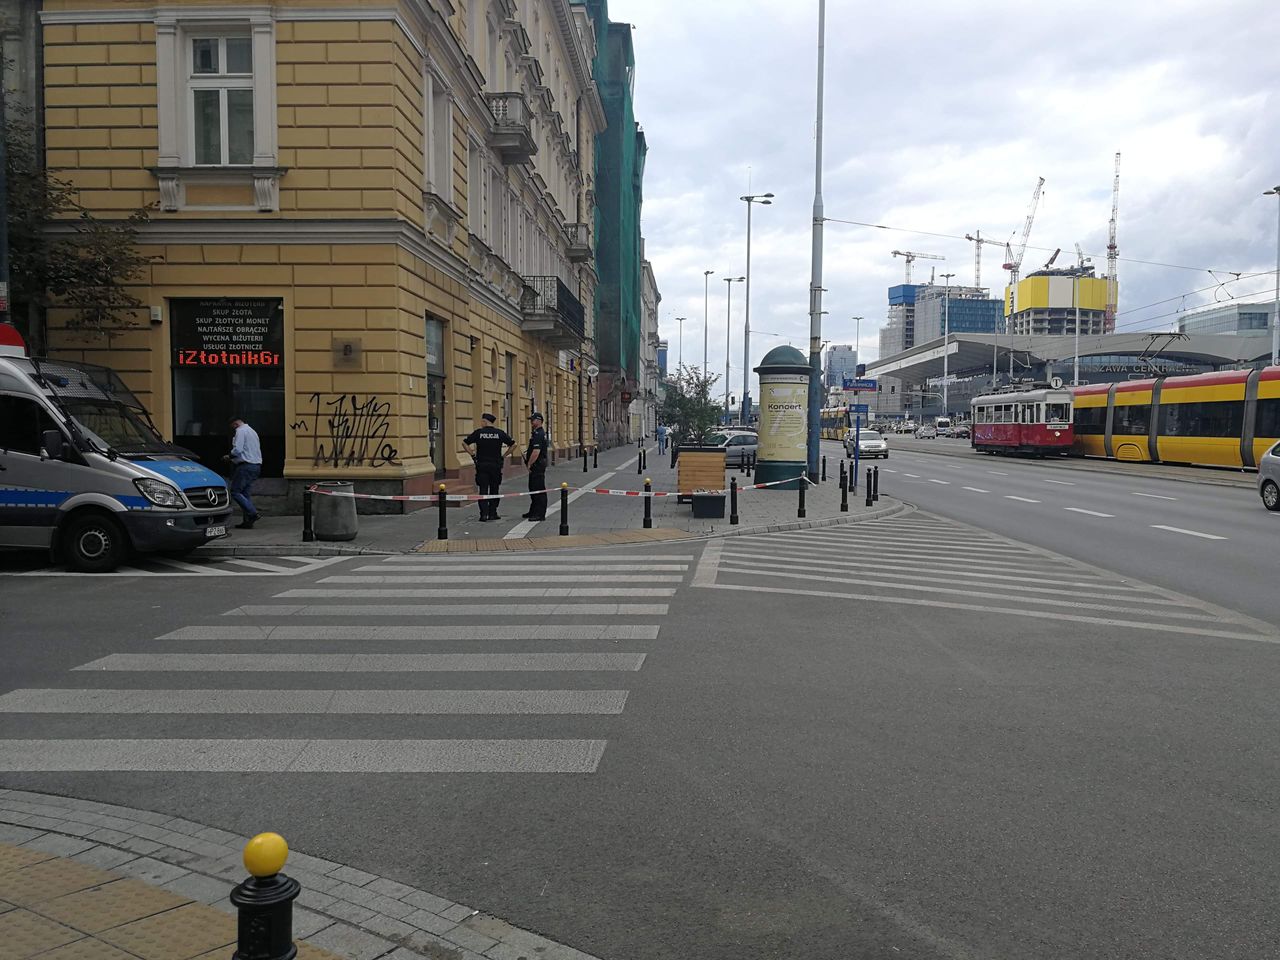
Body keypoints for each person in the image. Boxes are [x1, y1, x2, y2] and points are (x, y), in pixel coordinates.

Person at [462, 413, 515, 522]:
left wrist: (472, 455)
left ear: (485, 421)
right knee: (494, 490)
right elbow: (514, 445)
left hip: (482, 466)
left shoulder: (479, 433)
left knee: (483, 490)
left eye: (481, 421)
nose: (480, 423)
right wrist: (504, 456)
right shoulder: (499, 433)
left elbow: (464, 443)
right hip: (495, 466)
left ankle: (483, 514)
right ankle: (493, 513)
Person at [223, 416, 262, 529]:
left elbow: (238, 450)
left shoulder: (240, 431)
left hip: (245, 466)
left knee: (235, 491)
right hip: (256, 466)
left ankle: (253, 513)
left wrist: (229, 456)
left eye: (232, 427)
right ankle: (248, 521)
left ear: (235, 424)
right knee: (245, 494)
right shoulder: (252, 431)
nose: (233, 430)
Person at [522, 411, 549, 521]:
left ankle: (539, 513)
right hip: (537, 465)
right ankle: (533, 510)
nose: (531, 422)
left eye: (532, 420)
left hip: (537, 465)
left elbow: (536, 452)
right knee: (533, 488)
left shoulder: (539, 434)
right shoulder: (537, 433)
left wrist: (529, 463)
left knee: (538, 489)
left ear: (538, 421)